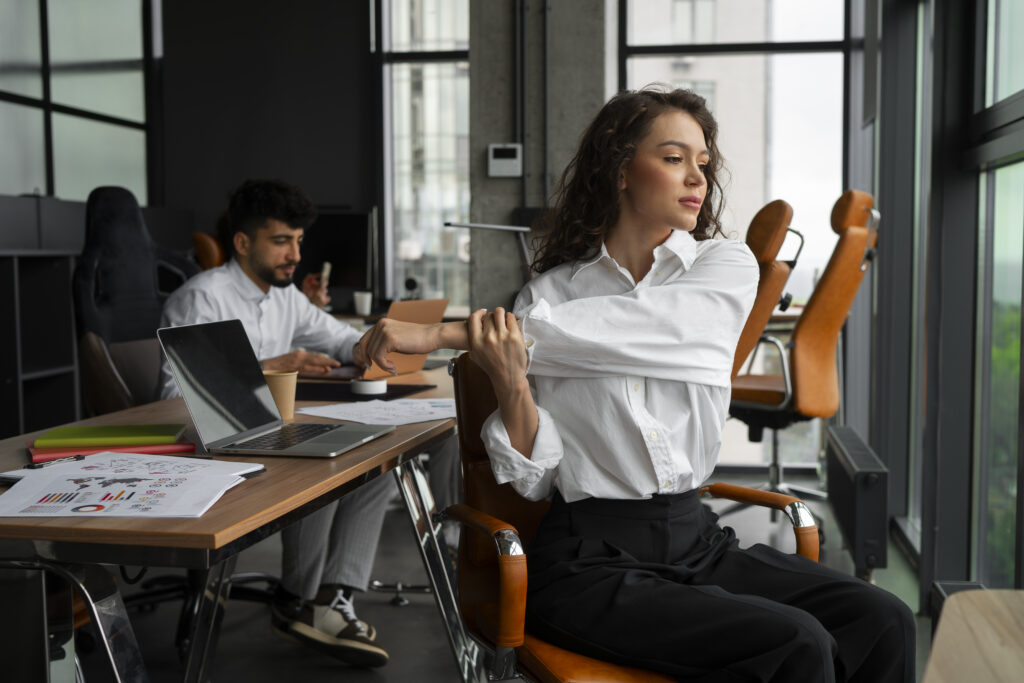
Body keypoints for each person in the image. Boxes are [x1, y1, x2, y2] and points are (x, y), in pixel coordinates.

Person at [357, 86, 916, 681]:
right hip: (586, 561)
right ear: (621, 169)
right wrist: (513, 384)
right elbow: (539, 479)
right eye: (674, 158)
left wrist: (449, 334)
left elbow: (666, 332)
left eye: (703, 163)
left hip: (698, 542)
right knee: (796, 643)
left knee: (884, 617)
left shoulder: (723, 267)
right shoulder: (549, 296)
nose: (697, 178)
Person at [158, 179, 393, 667]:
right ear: (243, 243)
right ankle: (295, 601)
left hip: (267, 433)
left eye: (299, 240)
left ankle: (334, 597)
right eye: (281, 240)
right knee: (328, 463)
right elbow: (168, 399)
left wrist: (384, 342)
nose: (295, 253)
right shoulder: (203, 298)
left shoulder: (283, 297)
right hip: (214, 442)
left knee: (379, 459)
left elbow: (339, 338)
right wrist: (274, 364)